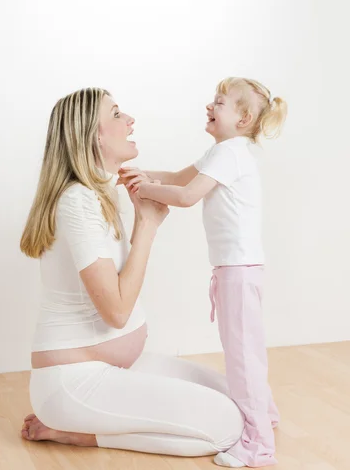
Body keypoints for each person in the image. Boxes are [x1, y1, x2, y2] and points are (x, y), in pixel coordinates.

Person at [19, 87, 243, 457]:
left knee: (237, 397)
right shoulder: (77, 202)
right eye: (118, 114)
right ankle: (82, 434)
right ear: (96, 134)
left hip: (116, 367)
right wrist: (148, 226)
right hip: (76, 382)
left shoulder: (97, 194)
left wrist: (145, 216)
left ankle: (85, 425)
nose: (130, 121)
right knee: (227, 427)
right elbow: (118, 312)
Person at [119, 77, 287, 467]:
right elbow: (178, 179)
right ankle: (267, 414)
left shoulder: (230, 153)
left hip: (238, 272)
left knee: (242, 356)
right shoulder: (225, 152)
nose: (210, 106)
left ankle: (258, 446)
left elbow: (186, 196)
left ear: (243, 118)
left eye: (220, 102)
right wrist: (142, 175)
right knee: (245, 352)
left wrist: (145, 189)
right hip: (237, 270)